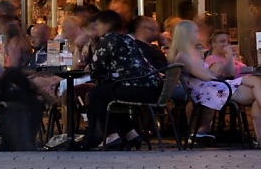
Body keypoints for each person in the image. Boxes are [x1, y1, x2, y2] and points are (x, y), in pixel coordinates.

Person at [169, 19, 261, 142]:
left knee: (256, 89)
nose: (198, 35)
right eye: (195, 32)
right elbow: (205, 76)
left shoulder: (190, 53)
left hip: (212, 88)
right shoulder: (184, 55)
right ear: (186, 35)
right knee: (256, 85)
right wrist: (217, 69)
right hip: (207, 90)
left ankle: (260, 140)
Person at [85, 9, 162, 150]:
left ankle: (111, 135)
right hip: (154, 89)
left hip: (138, 88)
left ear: (106, 24)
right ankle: (131, 134)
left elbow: (96, 68)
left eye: (98, 24)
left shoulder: (107, 38)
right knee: (109, 94)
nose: (97, 28)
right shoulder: (127, 39)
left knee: (95, 94)